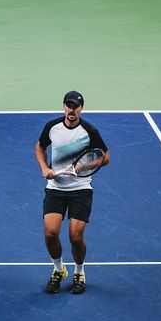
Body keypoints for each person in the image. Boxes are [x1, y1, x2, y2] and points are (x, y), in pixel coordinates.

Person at [34, 91, 110, 294]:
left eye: (76, 106)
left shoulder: (89, 131)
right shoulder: (52, 127)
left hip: (81, 189)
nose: (72, 110)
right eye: (69, 105)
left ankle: (79, 272)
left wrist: (84, 167)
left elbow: (106, 157)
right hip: (56, 189)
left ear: (81, 109)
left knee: (75, 237)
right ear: (64, 106)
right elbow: (40, 147)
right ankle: (59, 270)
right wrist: (44, 168)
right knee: (50, 234)